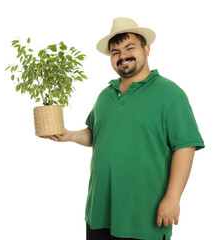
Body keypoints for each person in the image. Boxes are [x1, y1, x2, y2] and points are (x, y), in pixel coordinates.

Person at [41, 17, 205, 240]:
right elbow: (96, 134)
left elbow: (185, 145)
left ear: (146, 49)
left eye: (130, 48)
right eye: (115, 52)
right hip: (100, 214)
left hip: (143, 218)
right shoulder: (105, 95)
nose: (122, 56)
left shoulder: (170, 94)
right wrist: (69, 135)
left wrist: (173, 197)